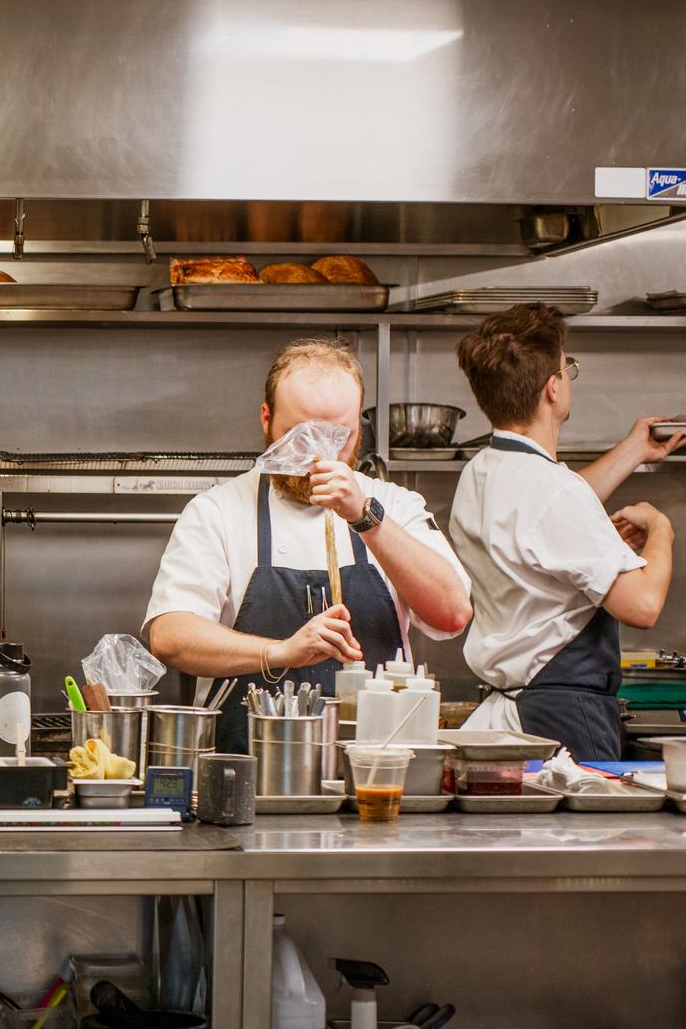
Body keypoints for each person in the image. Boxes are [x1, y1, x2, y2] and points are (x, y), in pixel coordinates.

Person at [145, 339, 471, 752]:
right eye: (300, 437)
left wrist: (365, 518)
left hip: (377, 773)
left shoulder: (396, 507)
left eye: (339, 436)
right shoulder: (218, 511)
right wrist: (282, 652)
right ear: (266, 419)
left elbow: (453, 614)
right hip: (250, 771)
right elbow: (170, 635)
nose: (320, 455)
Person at [449, 304, 681, 760]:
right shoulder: (551, 491)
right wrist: (662, 528)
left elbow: (546, 511)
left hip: (517, 713)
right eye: (567, 368)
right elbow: (643, 605)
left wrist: (634, 450)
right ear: (553, 388)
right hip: (563, 721)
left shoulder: (482, 470)